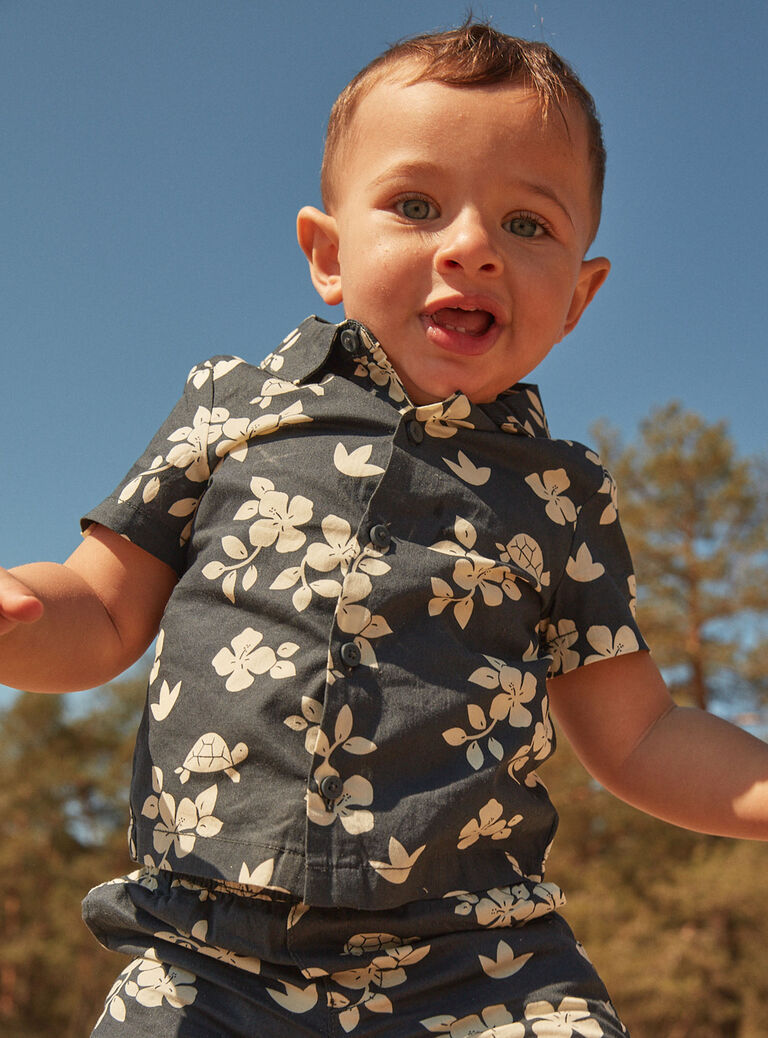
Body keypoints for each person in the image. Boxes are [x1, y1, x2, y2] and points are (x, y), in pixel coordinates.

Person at [1, 21, 766, 1038]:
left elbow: (641, 736)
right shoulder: (236, 410)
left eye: (528, 225)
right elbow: (97, 608)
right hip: (208, 955)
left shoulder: (561, 496)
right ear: (328, 252)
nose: (472, 248)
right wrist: (19, 615)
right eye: (416, 206)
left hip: (478, 965)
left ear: (579, 296)